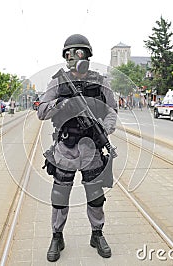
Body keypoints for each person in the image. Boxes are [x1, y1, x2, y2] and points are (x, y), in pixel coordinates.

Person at [37, 34, 118, 262]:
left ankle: (97, 234)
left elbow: (112, 110)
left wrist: (105, 127)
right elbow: (41, 112)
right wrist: (62, 103)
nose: (73, 57)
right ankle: (57, 235)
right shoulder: (57, 82)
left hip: (91, 148)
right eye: (69, 53)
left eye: (78, 52)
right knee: (60, 194)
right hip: (66, 148)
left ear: (88, 56)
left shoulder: (101, 82)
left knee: (95, 195)